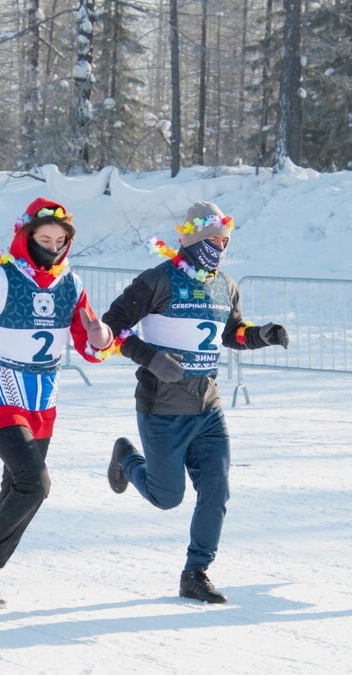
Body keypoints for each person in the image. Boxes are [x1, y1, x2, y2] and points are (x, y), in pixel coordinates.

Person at [100, 201, 289, 604]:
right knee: (166, 497)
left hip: (207, 407)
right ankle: (126, 459)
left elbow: (231, 334)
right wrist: (150, 357)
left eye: (224, 241)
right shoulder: (157, 281)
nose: (218, 248)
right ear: (190, 238)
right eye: (211, 240)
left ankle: (196, 571)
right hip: (162, 408)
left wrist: (263, 335)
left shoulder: (227, 286)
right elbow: (109, 329)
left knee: (216, 491)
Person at [0, 197, 112, 609]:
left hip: (43, 401)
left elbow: (89, 345)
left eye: (60, 240)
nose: (52, 247)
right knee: (36, 484)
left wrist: (101, 338)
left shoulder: (72, 284)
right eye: (44, 238)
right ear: (25, 236)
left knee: (16, 489)